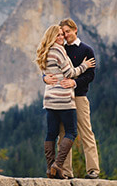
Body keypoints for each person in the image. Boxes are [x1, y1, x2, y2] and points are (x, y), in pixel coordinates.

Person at [36, 25, 95, 179]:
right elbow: (69, 73)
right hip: (64, 98)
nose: (62, 36)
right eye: (59, 34)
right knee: (71, 132)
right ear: (52, 37)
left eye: (64, 33)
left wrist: (45, 77)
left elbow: (46, 70)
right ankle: (58, 165)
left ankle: (51, 169)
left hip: (50, 100)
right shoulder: (60, 50)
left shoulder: (46, 51)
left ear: (75, 30)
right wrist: (84, 66)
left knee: (51, 133)